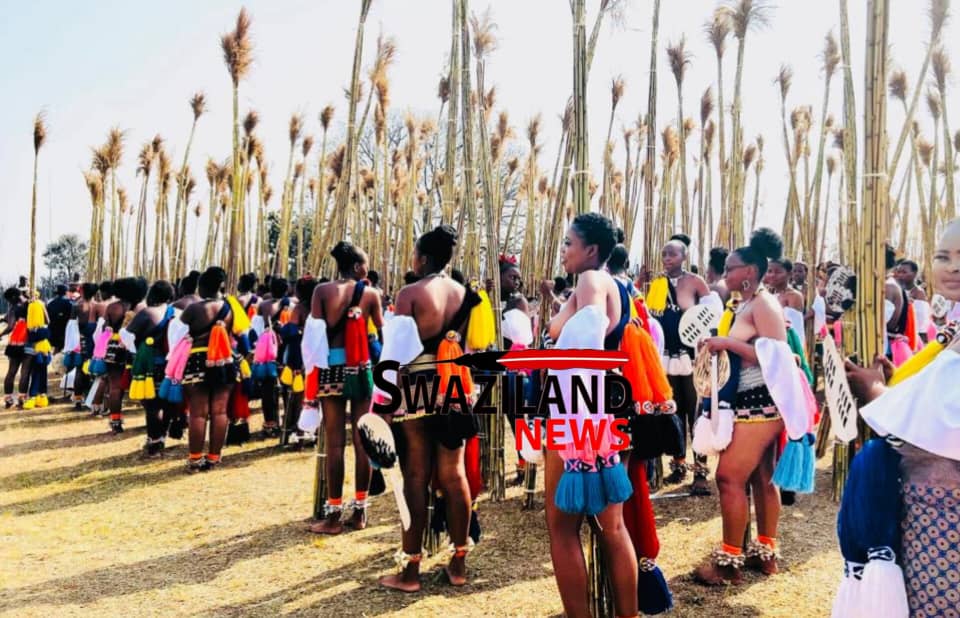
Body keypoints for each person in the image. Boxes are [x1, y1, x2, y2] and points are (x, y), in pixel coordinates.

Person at [835, 218, 960, 617]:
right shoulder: (953, 331)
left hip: (946, 524)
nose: (952, 267)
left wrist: (874, 393)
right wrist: (896, 390)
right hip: (926, 514)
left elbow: (944, 426)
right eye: (943, 256)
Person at [542, 213, 638, 617]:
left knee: (562, 527)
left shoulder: (590, 281)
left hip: (580, 413)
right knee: (612, 527)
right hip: (610, 408)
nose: (563, 251)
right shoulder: (618, 286)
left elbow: (588, 340)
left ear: (591, 250)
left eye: (568, 243)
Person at [377, 224, 480, 592]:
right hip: (454, 384)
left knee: (416, 477)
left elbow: (396, 354)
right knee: (454, 475)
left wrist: (384, 403)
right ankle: (459, 564)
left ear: (422, 258)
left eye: (414, 255)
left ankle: (410, 572)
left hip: (417, 385)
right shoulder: (464, 294)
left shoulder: (410, 294)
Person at [693, 228, 790, 585]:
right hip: (755, 401)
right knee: (762, 477)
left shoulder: (763, 304)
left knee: (728, 477)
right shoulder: (749, 304)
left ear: (749, 272)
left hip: (762, 402)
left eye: (731, 268)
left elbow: (776, 357)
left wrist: (726, 344)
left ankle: (728, 564)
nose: (725, 274)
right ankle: (765, 556)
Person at [307, 241, 384, 534]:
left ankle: (333, 515)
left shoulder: (321, 292)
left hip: (329, 370)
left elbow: (314, 335)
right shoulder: (372, 294)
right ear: (357, 267)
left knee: (335, 444)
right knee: (363, 441)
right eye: (365, 263)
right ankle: (360, 512)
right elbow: (380, 330)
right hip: (361, 369)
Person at [647, 233, 711, 494]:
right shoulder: (657, 285)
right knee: (672, 412)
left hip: (693, 358)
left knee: (696, 414)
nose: (666, 259)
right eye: (664, 254)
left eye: (672, 254)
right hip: (666, 356)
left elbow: (710, 316)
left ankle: (701, 473)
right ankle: (678, 465)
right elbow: (652, 320)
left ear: (684, 256)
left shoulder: (696, 282)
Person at [178, 267, 238, 471]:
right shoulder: (230, 307)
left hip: (197, 359)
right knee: (220, 411)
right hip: (224, 359)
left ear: (202, 287)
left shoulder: (193, 309)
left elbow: (180, 332)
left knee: (198, 413)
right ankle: (214, 457)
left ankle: (195, 458)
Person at [124, 280, 178, 456]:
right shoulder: (176, 312)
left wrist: (138, 350)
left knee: (151, 405)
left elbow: (126, 335)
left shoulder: (147, 313)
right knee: (166, 401)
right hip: (172, 364)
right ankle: (161, 436)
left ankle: (154, 441)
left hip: (149, 365)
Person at [103, 277, 148, 434]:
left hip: (113, 348)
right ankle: (151, 418)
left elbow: (105, 330)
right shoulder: (141, 308)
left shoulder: (111, 308)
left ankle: (115, 421)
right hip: (135, 349)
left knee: (115, 386)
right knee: (141, 382)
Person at [255, 276, 293, 439]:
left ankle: (270, 424)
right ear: (287, 290)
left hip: (268, 349)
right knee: (287, 385)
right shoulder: (293, 304)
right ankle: (289, 421)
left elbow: (256, 328)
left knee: (267, 387)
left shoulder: (263, 305)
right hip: (287, 347)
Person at [2, 287, 28, 408]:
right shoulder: (29, 304)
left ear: (13, 297)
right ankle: (22, 400)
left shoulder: (14, 307)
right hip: (30, 341)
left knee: (12, 372)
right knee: (25, 372)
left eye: (8, 300)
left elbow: (11, 325)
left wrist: (1, 334)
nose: (9, 303)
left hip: (16, 342)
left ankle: (8, 399)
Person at [46, 284, 72, 352]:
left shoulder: (50, 303)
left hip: (52, 329)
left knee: (55, 349)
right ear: (66, 292)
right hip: (64, 330)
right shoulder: (69, 303)